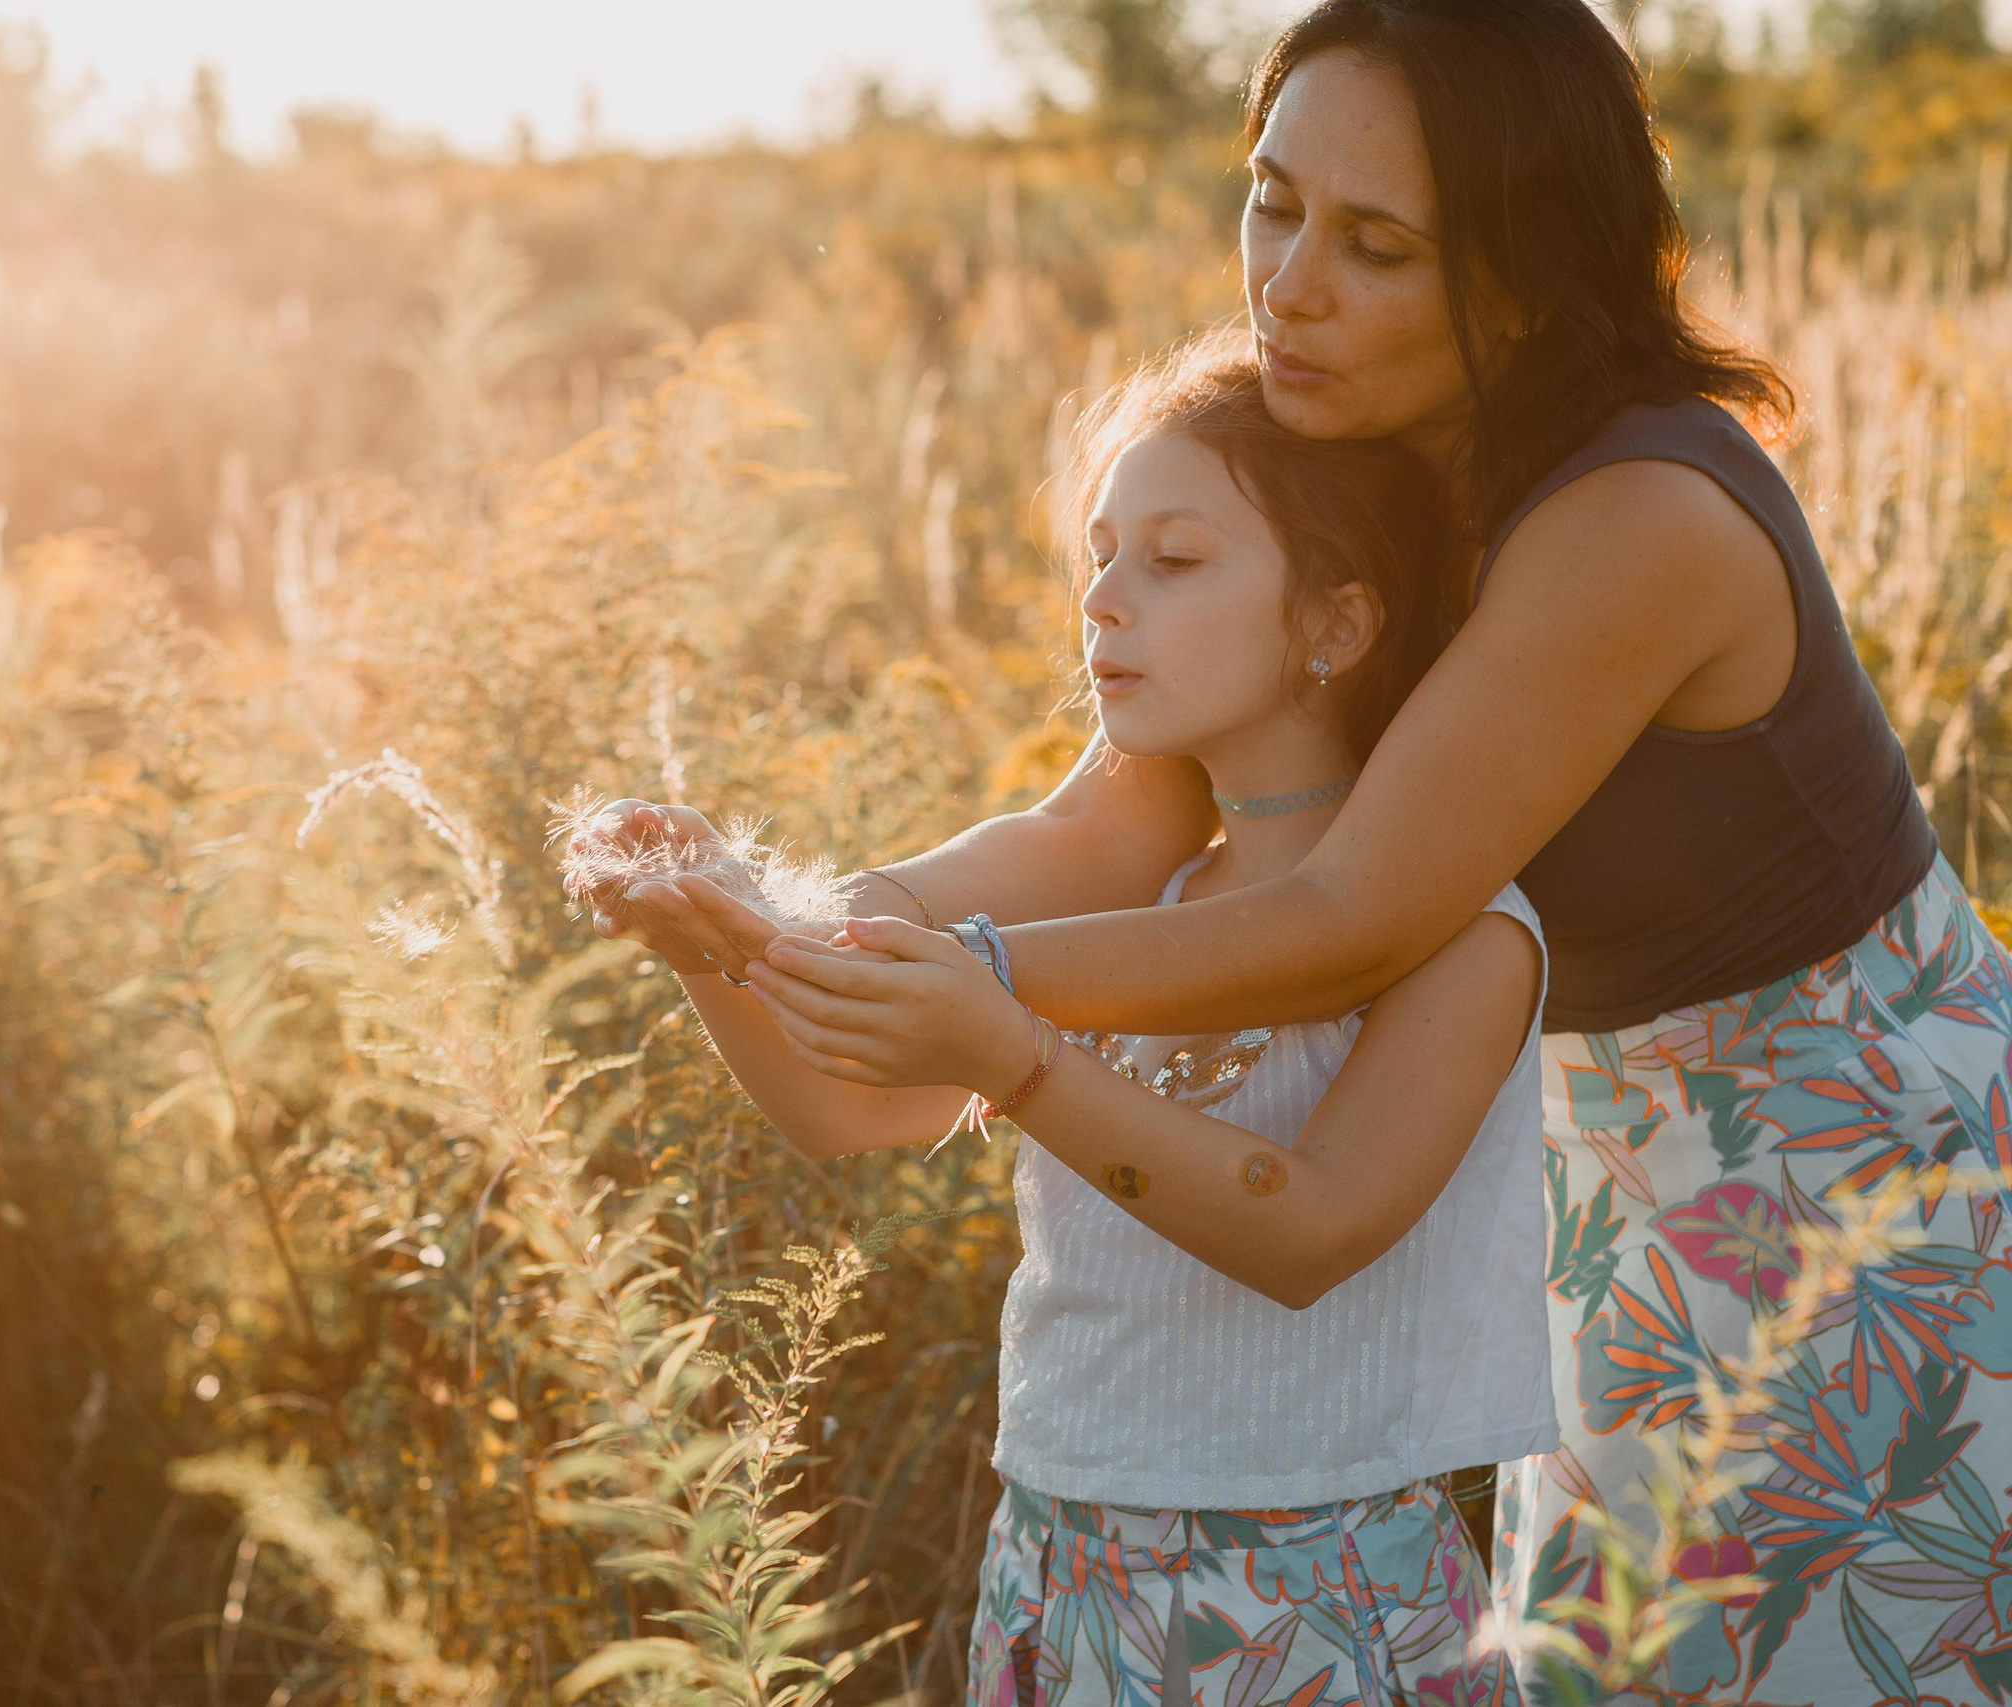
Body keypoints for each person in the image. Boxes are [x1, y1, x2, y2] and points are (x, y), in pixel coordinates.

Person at [579, 2, 2011, 1701]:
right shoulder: (1323, 461)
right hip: (1603, 1213)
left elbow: (1349, 917)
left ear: (1529, 273)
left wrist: (977, 1006)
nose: (1289, 285)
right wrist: (792, 920)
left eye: (1376, 245)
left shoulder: (1645, 512)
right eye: (1274, 203)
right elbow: (1108, 821)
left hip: (1862, 1195)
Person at [599, 340, 1552, 1706]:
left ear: (1336, 625)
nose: (1103, 601)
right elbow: (841, 1110)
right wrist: (717, 942)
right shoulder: (1148, 902)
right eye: (1100, 557)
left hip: (1308, 1603)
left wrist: (1021, 1060)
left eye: (1173, 562)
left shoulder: (1464, 934)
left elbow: (1309, 1228)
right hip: (1056, 1575)